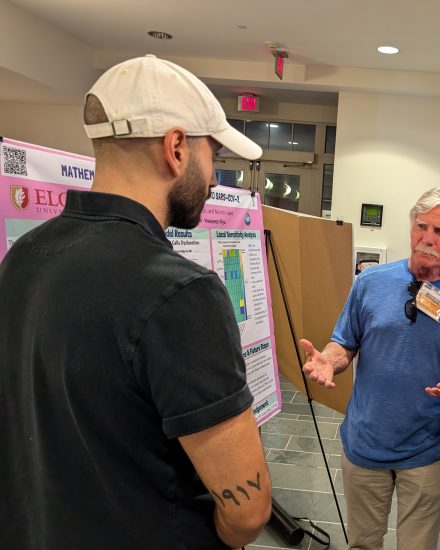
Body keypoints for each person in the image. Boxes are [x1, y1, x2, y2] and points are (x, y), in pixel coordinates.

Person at [0, 55, 272, 549]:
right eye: (211, 153)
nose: (214, 179)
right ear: (176, 148)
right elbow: (248, 511)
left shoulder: (23, 256)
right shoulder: (181, 292)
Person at [299, 187, 440, 550]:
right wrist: (330, 360)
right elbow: (344, 342)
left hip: (430, 447)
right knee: (362, 544)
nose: (427, 239)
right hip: (366, 441)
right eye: (421, 226)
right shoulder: (370, 283)